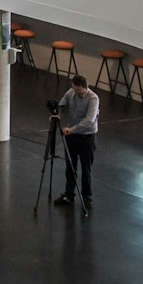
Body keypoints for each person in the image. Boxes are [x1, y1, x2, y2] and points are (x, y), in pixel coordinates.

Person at [54, 73, 99, 214]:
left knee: (86, 168)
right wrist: (57, 113)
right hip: (72, 136)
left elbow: (89, 120)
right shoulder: (71, 92)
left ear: (84, 88)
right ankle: (69, 194)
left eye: (78, 90)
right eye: (74, 89)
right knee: (70, 166)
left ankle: (87, 197)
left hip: (87, 137)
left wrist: (71, 129)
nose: (76, 92)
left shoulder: (93, 98)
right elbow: (62, 104)